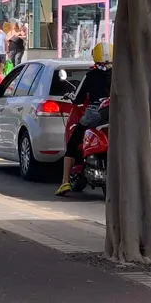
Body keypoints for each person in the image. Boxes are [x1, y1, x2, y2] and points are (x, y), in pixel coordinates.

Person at [57, 43, 114, 197]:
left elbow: (78, 99)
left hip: (94, 114)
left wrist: (70, 96)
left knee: (73, 143)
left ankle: (64, 182)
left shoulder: (90, 76)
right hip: (117, 115)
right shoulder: (120, 74)